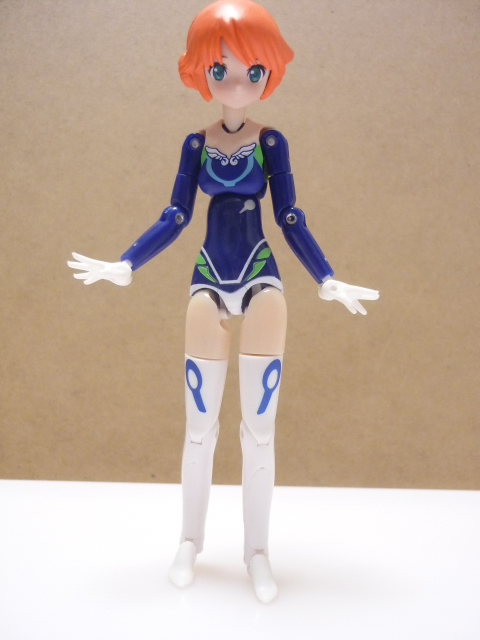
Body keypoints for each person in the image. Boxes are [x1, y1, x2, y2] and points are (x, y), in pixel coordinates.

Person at [69, 0, 378, 603]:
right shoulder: (195, 144)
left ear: (268, 71)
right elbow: (176, 214)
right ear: (201, 71)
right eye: (221, 69)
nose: (236, 83)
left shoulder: (271, 142)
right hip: (208, 278)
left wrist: (326, 276)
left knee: (259, 432)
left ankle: (257, 552)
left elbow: (288, 216)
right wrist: (127, 262)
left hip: (261, 280)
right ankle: (190, 540)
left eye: (251, 70)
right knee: (198, 429)